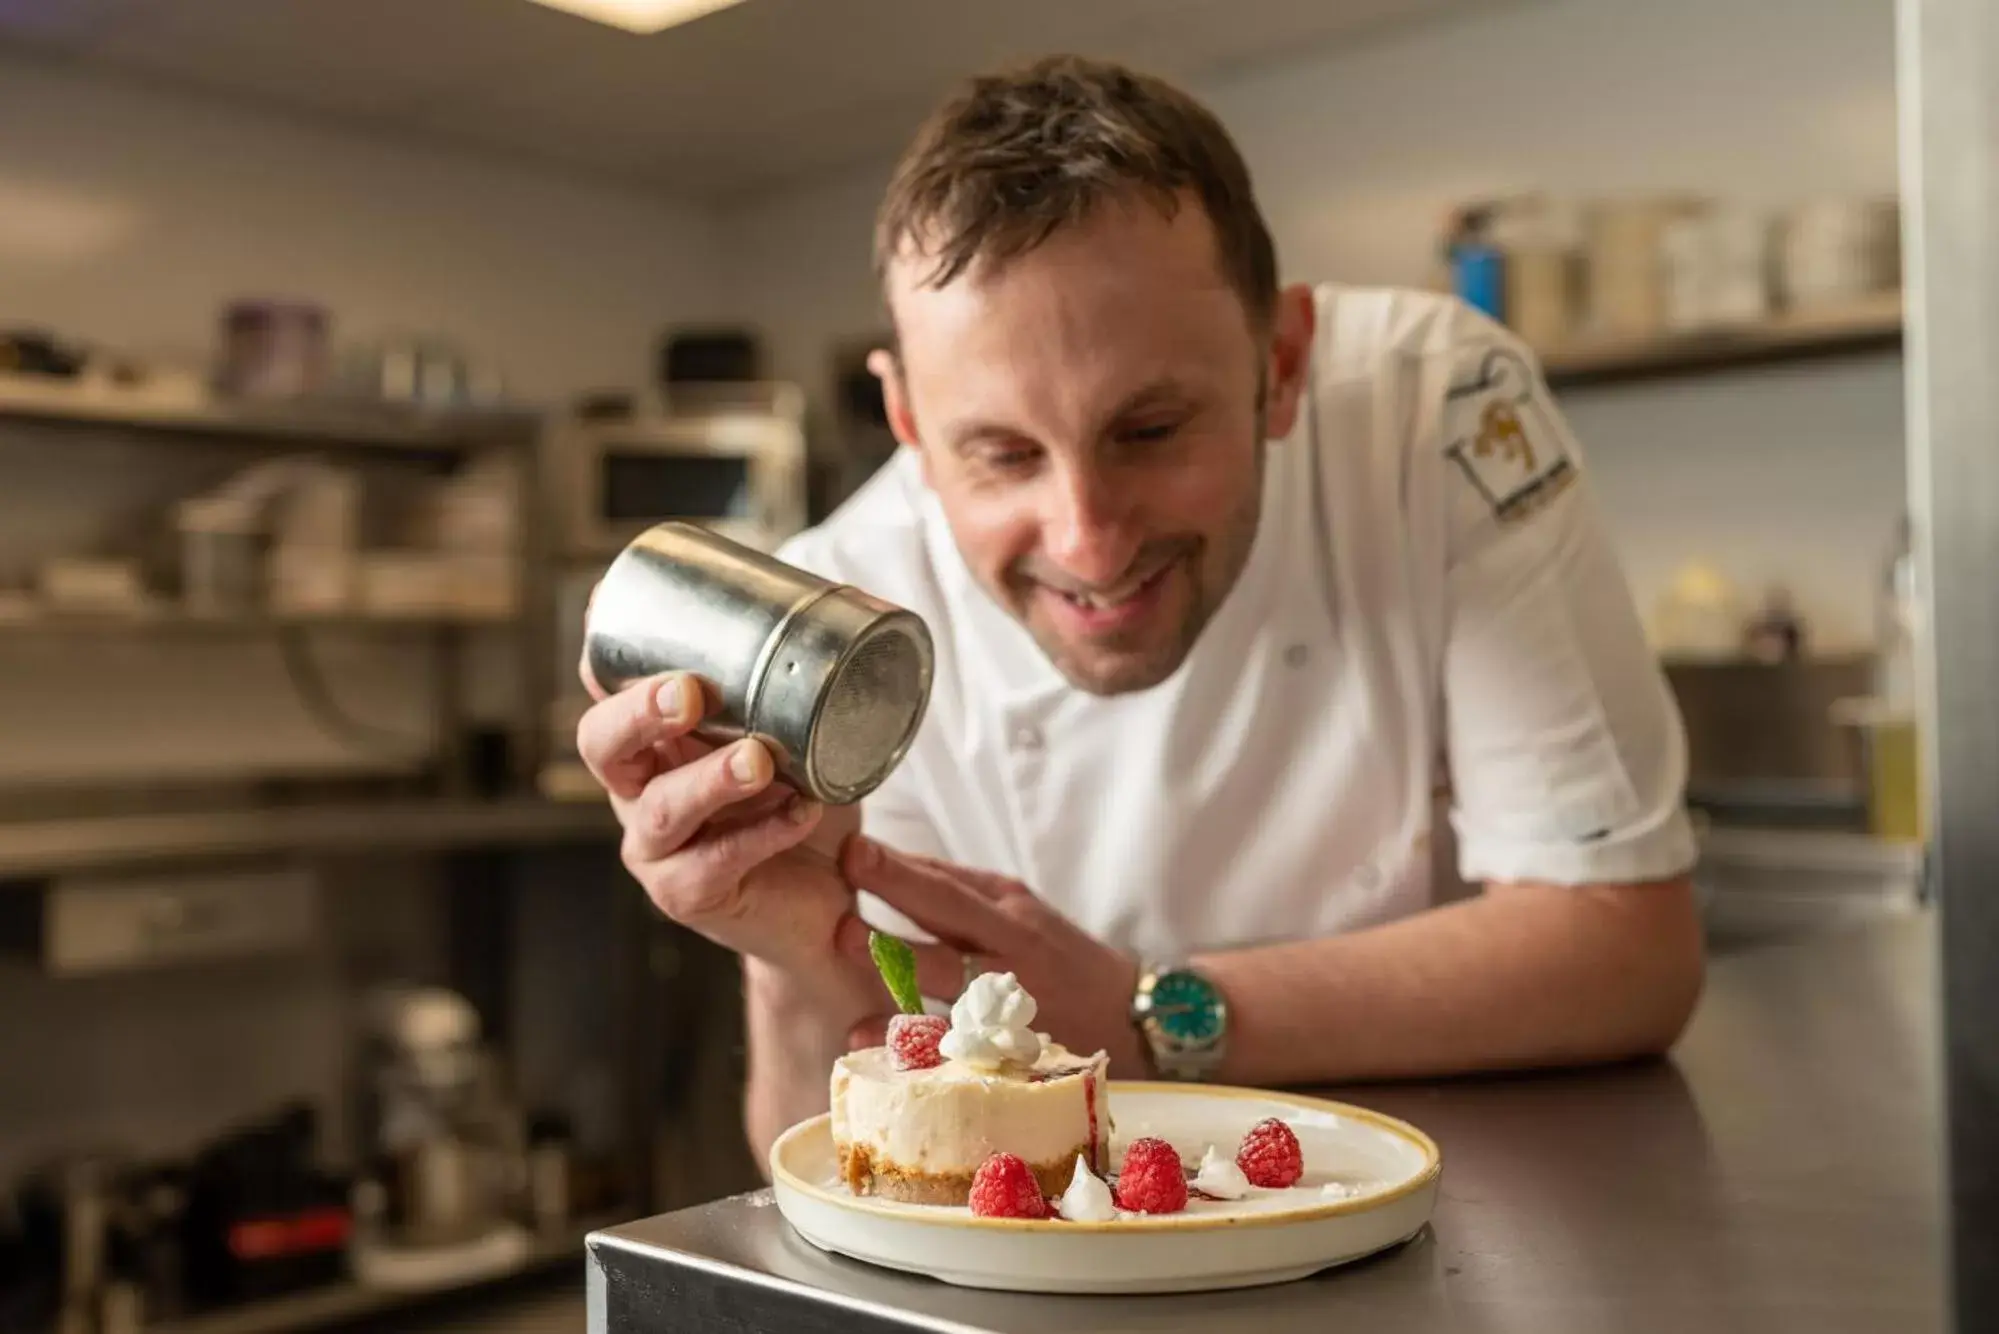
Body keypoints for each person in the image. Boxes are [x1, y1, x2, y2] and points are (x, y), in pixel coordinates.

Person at [576, 55, 1705, 1163]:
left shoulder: (1431, 407)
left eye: (1150, 430)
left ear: (1284, 363)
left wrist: (1146, 1014)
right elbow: (824, 1158)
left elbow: (1624, 951)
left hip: (1466, 1193)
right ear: (909, 420)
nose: (1088, 541)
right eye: (1002, 453)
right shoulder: (841, 622)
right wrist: (785, 951)